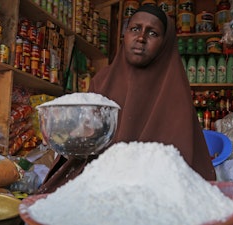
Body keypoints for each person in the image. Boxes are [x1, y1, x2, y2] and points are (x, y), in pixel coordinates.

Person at [37, 4, 215, 194]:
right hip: (100, 181)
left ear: (165, 42)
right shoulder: (102, 81)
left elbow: (180, 161)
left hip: (153, 188)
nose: (141, 38)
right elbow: (85, 145)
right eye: (135, 29)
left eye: (153, 33)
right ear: (126, 34)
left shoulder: (175, 88)